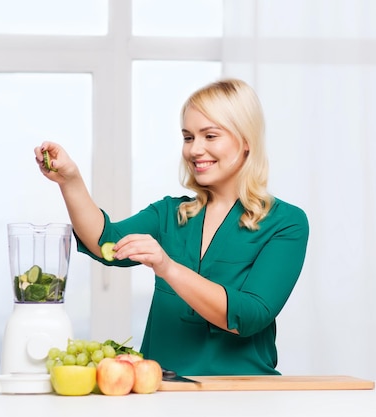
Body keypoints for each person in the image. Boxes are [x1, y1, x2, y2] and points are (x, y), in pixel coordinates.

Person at [34, 78, 309, 376]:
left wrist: (168, 267)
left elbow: (250, 316)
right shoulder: (171, 213)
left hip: (242, 393)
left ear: (246, 142)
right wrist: (70, 180)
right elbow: (104, 243)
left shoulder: (286, 223)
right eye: (188, 137)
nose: (195, 150)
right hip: (163, 390)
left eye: (210, 136)